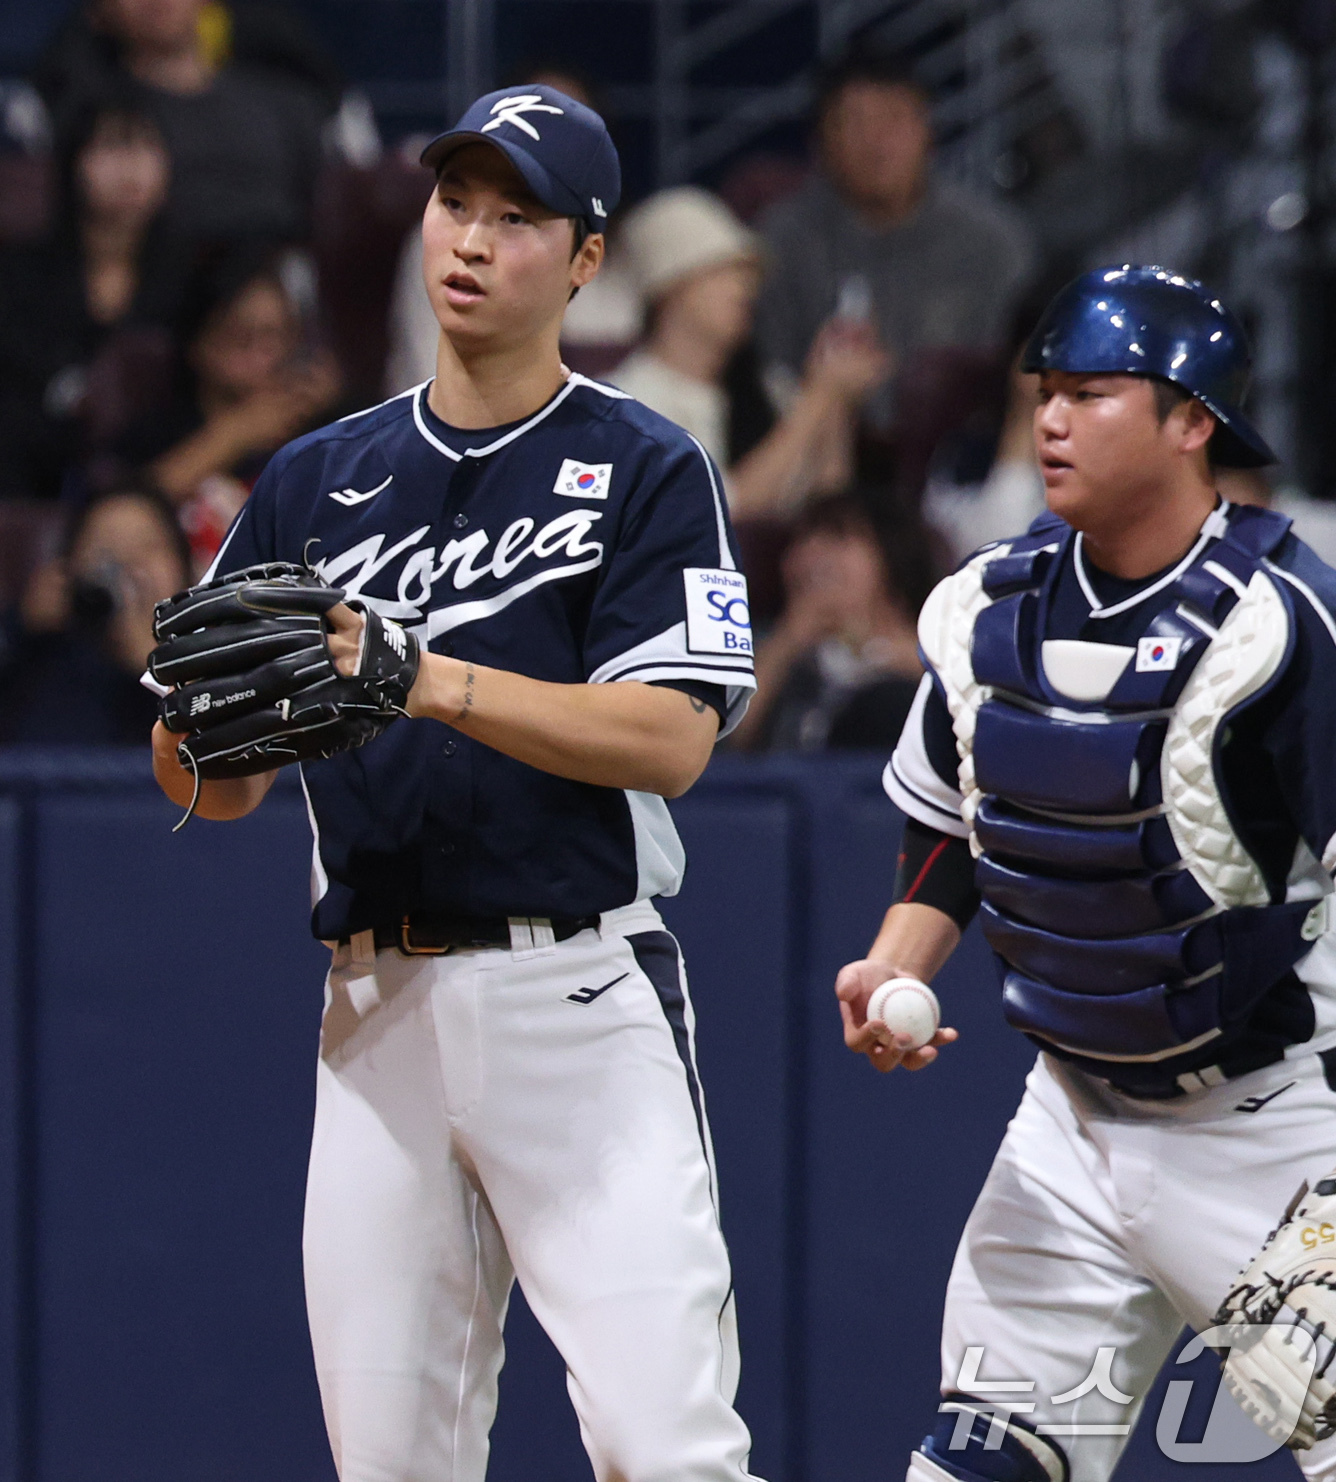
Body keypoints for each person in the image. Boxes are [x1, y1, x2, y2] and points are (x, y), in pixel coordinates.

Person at [148, 84, 764, 1482]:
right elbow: (211, 782)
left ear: (588, 259)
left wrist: (424, 676)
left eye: (516, 216)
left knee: (666, 1449)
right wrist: (202, 725)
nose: (471, 241)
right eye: (453, 204)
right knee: (392, 1465)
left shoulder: (644, 464)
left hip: (579, 999)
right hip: (375, 1014)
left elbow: (673, 736)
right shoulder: (316, 479)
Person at [834, 265, 1336, 1482]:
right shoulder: (978, 610)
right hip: (1068, 1129)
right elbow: (957, 828)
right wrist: (893, 964)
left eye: (1092, 393)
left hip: (1270, 1134)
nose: (1051, 418)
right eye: (1045, 392)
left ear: (1190, 420)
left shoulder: (1282, 624)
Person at [754, 47, 1034, 436]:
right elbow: (770, 370)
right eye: (855, 122)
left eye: (896, 119)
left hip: (962, 457)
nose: (877, 142)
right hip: (815, 455)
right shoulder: (783, 239)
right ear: (820, 142)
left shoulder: (991, 241)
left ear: (928, 130)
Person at [613, 186, 887, 523]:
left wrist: (837, 397)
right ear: (671, 287)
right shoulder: (627, 404)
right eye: (722, 270)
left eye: (747, 273)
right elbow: (722, 513)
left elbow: (827, 500)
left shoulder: (769, 387)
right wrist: (820, 395)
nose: (745, 287)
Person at [0, 95, 182, 501]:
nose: (129, 167)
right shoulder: (17, 270)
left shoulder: (191, 275)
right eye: (111, 146)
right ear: (73, 163)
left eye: (145, 146)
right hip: (30, 456)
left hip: (152, 460)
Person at [119, 243, 342, 571]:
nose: (261, 356)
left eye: (275, 337)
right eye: (240, 338)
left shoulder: (326, 436)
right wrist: (234, 435)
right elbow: (123, 516)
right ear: (198, 343)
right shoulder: (155, 434)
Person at [36, 0, 326, 246]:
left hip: (279, 283)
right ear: (97, 11)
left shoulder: (287, 106)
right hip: (155, 296)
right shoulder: (90, 123)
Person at [728, 494, 928, 752]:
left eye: (837, 537)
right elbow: (721, 742)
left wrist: (882, 653)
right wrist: (786, 642)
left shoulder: (940, 644)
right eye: (800, 541)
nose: (810, 554)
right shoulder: (761, 647)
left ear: (890, 554)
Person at [0, 483, 189, 744]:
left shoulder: (207, 661)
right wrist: (19, 627)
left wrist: (148, 665)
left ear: (183, 566)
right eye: (105, 550)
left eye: (147, 546)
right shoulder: (40, 653)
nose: (128, 567)